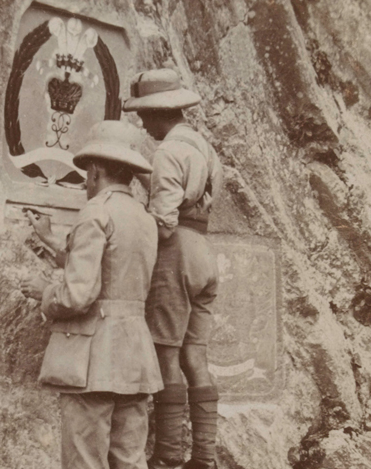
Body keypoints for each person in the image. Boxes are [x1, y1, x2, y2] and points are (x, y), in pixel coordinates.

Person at [21, 120, 163, 469]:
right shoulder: (144, 219)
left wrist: (46, 292)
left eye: (87, 174)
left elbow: (78, 295)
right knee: (130, 461)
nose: (86, 182)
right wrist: (55, 242)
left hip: (93, 361)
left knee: (85, 462)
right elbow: (113, 271)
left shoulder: (95, 212)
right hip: (134, 360)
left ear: (96, 171)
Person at [123, 68, 224, 469]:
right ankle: (204, 456)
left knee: (166, 354)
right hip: (203, 250)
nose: (142, 122)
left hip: (177, 253)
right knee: (194, 356)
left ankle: (167, 456)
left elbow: (164, 223)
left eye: (145, 114)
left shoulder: (167, 152)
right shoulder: (203, 148)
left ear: (161, 111)